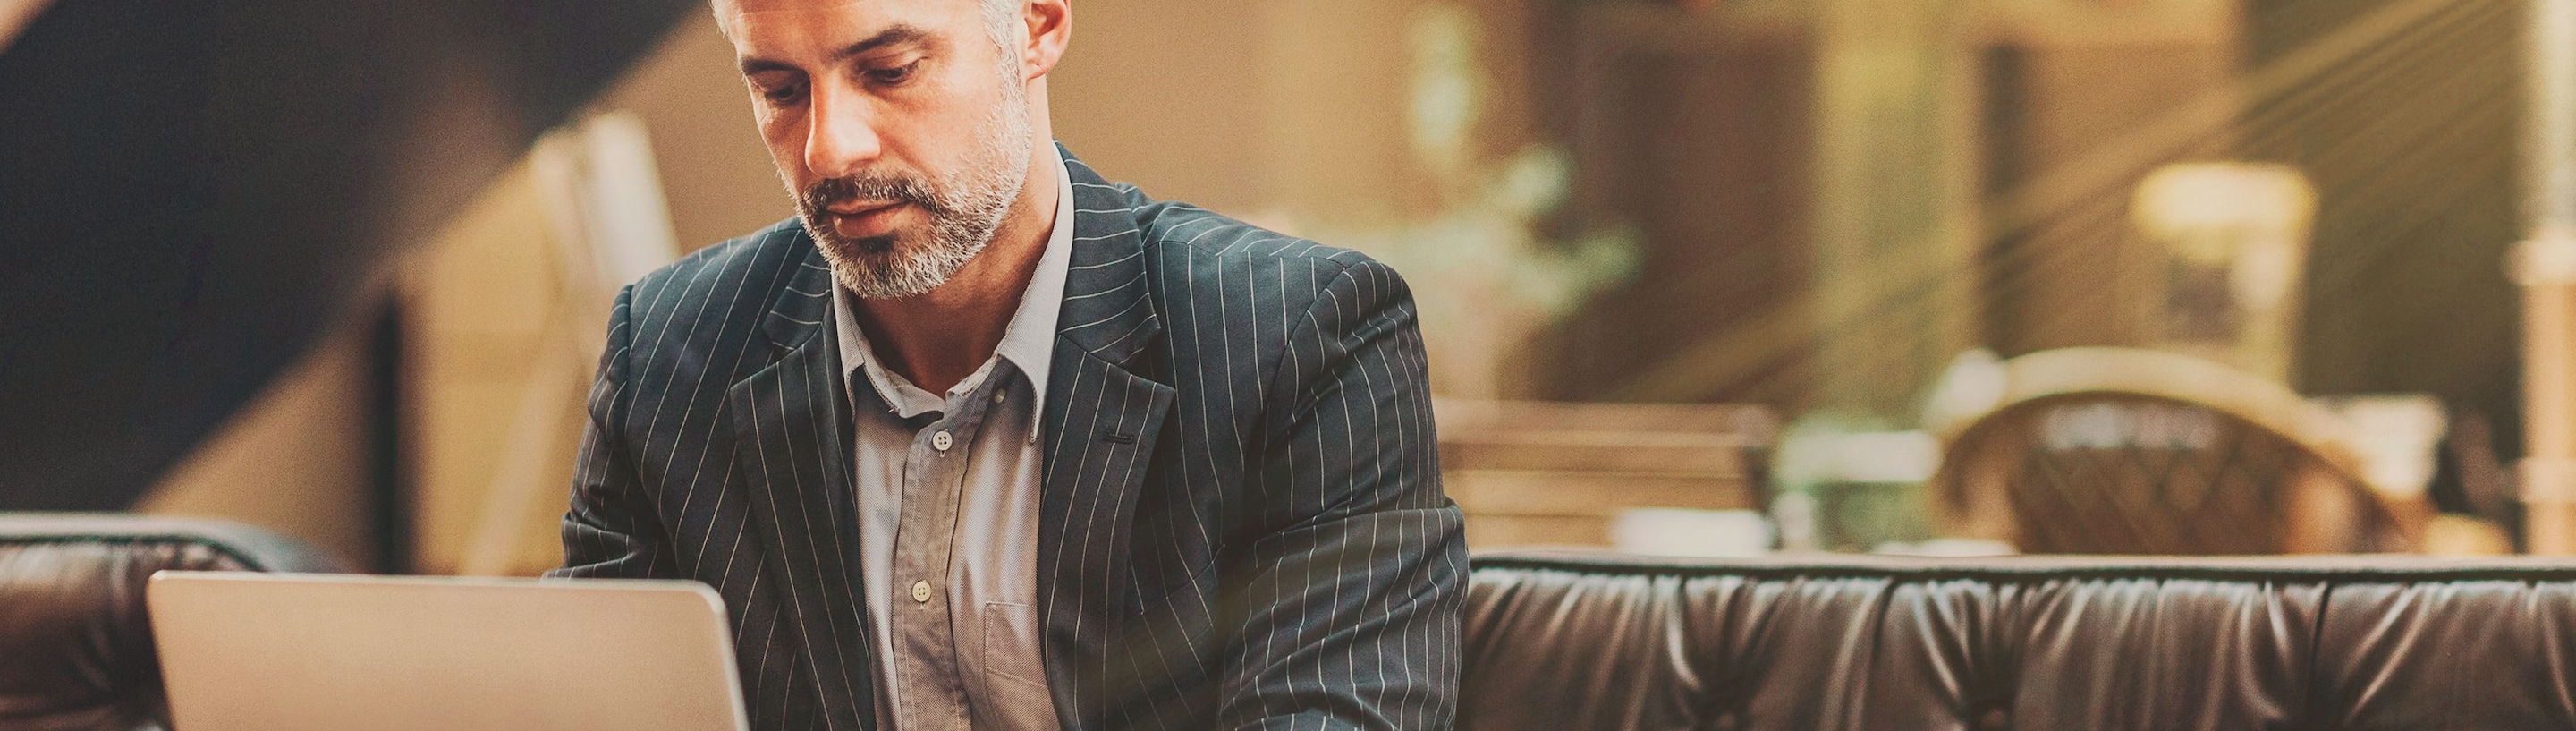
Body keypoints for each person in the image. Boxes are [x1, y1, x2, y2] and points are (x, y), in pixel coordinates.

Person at [547, 0, 1466, 729]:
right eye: (782, 90)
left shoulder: (1301, 339)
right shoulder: (668, 357)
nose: (830, 148)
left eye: (888, 71)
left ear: (1037, 23)